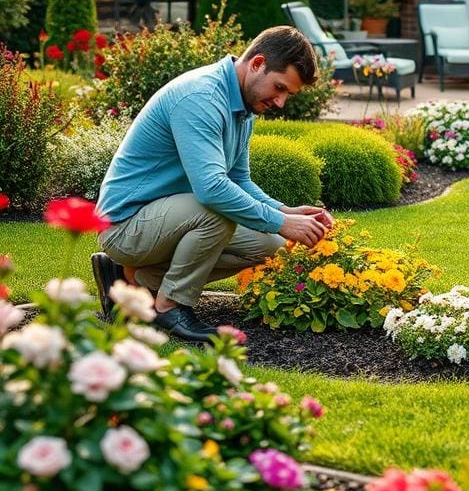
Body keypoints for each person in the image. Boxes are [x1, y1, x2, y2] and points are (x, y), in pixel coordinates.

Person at [92, 26, 334, 342]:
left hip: (168, 218)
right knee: (218, 211)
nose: (280, 102)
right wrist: (281, 221)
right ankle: (170, 306)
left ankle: (133, 278)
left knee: (270, 245)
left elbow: (238, 180)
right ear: (257, 63)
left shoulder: (243, 107)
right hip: (125, 225)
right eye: (279, 88)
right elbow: (212, 189)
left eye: (288, 94)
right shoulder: (201, 97)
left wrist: (283, 212)